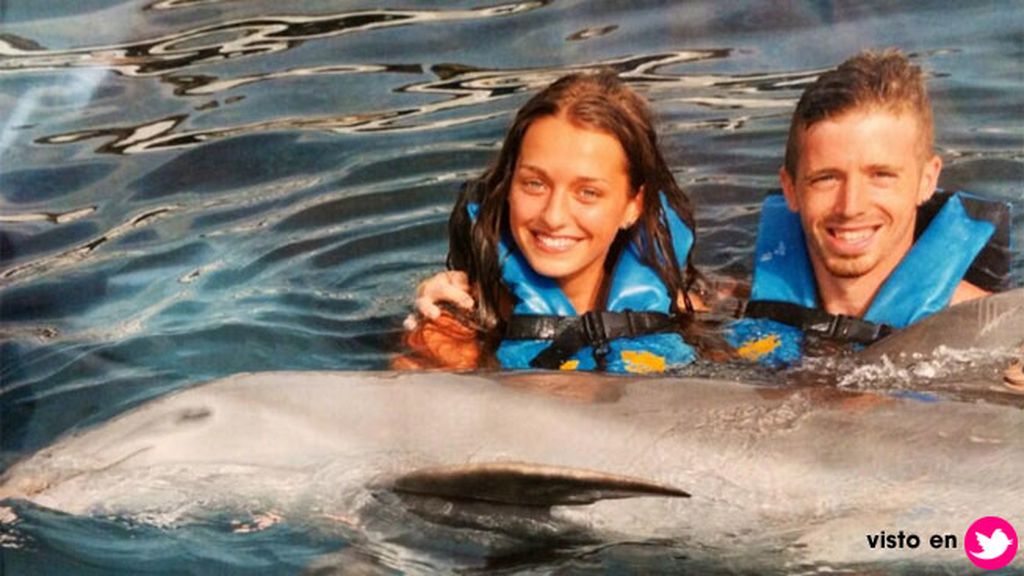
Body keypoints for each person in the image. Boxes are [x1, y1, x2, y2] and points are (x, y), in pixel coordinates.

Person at [394, 71, 706, 373]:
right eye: (534, 184)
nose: (553, 217)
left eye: (588, 192)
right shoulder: (452, 331)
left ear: (633, 205)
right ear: (508, 186)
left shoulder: (680, 311)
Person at [728, 49, 1010, 366]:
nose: (851, 207)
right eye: (826, 178)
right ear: (790, 188)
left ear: (927, 181)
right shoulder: (726, 309)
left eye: (881, 176)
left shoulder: (1000, 337)